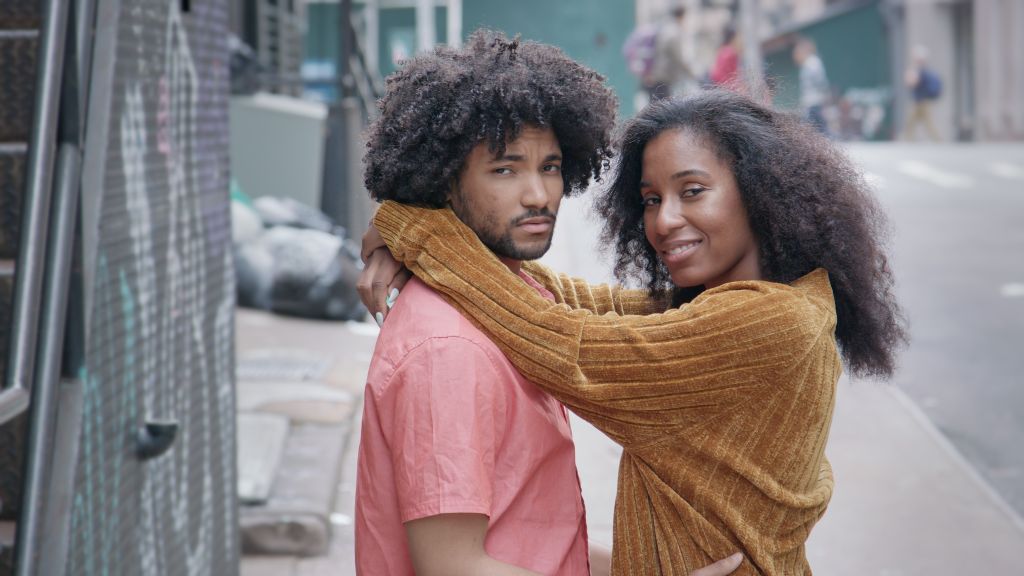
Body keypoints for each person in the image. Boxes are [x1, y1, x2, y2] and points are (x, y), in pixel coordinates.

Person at [362, 89, 907, 574]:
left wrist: (417, 230)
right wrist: (429, 240)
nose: (664, 220)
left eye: (692, 191)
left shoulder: (769, 322)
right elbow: (564, 301)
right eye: (651, 200)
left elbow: (561, 340)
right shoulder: (750, 300)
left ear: (762, 193)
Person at [354, 31, 742, 576]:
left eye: (551, 167)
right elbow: (454, 567)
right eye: (505, 169)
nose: (538, 195)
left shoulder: (509, 297)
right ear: (443, 183)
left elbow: (536, 542)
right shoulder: (448, 349)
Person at [645, 4, 697, 101]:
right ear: (682, 16)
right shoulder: (674, 33)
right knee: (662, 107)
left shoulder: (666, 28)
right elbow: (678, 58)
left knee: (657, 105)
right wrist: (692, 73)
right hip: (664, 76)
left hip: (658, 74)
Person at [792, 37, 831, 136]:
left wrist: (824, 95)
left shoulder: (812, 63)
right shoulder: (808, 64)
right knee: (816, 126)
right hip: (811, 101)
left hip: (814, 100)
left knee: (815, 126)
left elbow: (820, 82)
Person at [902, 45, 942, 141]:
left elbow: (912, 82)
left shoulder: (921, 71)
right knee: (916, 122)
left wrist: (909, 77)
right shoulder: (923, 70)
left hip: (921, 101)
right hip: (921, 100)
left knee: (920, 122)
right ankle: (909, 139)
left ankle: (937, 140)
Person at [708, 24, 742, 91]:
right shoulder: (731, 52)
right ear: (733, 38)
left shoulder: (722, 50)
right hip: (725, 88)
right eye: (739, 37)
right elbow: (733, 77)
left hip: (716, 85)